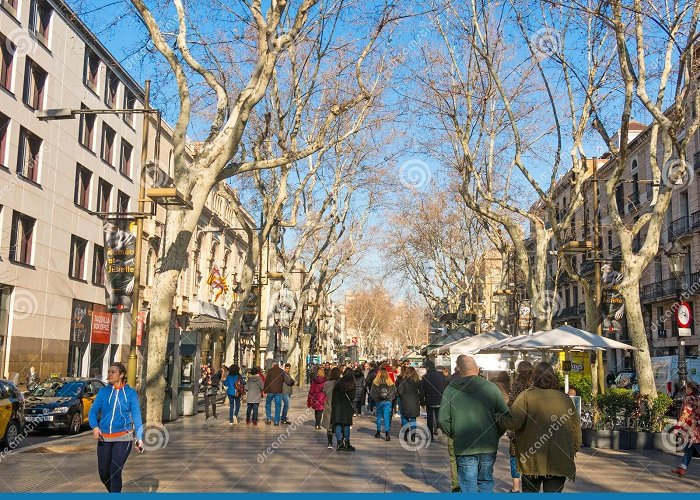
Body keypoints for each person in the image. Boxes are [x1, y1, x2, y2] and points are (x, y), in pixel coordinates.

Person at [499, 362, 581, 493]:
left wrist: (497, 417)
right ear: (553, 377)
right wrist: (571, 451)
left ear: (534, 377)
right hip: (559, 461)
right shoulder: (565, 399)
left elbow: (513, 422)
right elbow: (576, 431)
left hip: (532, 460)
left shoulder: (526, 396)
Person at [438, 355, 508, 494]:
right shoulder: (491, 388)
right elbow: (505, 415)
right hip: (488, 445)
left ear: (460, 371)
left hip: (464, 445)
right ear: (477, 370)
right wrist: (495, 434)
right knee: (486, 481)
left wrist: (455, 433)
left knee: (468, 485)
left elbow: (442, 419)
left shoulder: (450, 390)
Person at [88, 362, 144, 493]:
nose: (109, 374)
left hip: (123, 437)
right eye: (108, 371)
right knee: (103, 473)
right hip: (104, 438)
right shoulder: (103, 392)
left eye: (113, 372)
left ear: (122, 374)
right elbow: (93, 411)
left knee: (115, 471)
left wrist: (139, 438)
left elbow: (136, 416)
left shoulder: (130, 393)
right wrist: (95, 427)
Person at [506, 360, 534, 493]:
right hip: (533, 425)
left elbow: (511, 404)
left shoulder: (516, 384)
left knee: (514, 454)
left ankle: (516, 486)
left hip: (517, 425)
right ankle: (529, 482)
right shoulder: (536, 384)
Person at [672, 381, 700, 477]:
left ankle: (682, 468)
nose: (686, 390)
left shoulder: (688, 399)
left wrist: (677, 427)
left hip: (692, 429)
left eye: (687, 388)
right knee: (689, 448)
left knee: (696, 446)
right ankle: (682, 468)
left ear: (690, 389)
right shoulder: (697, 398)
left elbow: (685, 414)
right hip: (696, 427)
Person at [421, 360, 448, 443]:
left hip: (430, 400)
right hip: (440, 399)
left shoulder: (425, 377)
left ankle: (430, 436)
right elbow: (445, 386)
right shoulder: (441, 375)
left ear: (427, 367)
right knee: (439, 417)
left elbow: (422, 390)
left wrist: (422, 402)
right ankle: (440, 431)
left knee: (430, 418)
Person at [332, 368, 357, 451]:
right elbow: (352, 397)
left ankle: (339, 444)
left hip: (337, 406)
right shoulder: (352, 384)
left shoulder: (338, 383)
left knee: (338, 424)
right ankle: (347, 443)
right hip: (347, 407)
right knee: (346, 424)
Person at [370, 366, 397, 441]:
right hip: (387, 402)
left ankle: (378, 432)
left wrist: (376, 399)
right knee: (386, 417)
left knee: (379, 417)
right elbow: (394, 391)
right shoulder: (390, 381)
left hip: (379, 402)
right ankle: (387, 434)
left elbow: (372, 392)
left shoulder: (375, 382)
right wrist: (390, 399)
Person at [398, 366, 421, 442]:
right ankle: (413, 435)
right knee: (413, 419)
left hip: (405, 401)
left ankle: (406, 432)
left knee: (405, 418)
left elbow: (400, 392)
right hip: (414, 401)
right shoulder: (417, 381)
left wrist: (403, 397)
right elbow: (421, 391)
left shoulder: (403, 381)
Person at [322, 368, 341, 449]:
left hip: (328, 405)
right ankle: (339, 442)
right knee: (338, 424)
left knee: (329, 426)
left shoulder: (326, 383)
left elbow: (324, 394)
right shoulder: (340, 383)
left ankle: (330, 443)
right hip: (338, 406)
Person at [263, 361, 286, 426]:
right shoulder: (281, 371)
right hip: (278, 391)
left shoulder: (270, 370)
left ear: (273, 365)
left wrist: (265, 390)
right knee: (278, 406)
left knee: (268, 404)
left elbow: (266, 381)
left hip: (270, 390)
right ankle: (276, 421)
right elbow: (283, 380)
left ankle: (269, 419)